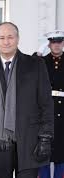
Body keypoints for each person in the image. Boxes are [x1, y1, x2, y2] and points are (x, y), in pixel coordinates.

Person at [0, 22, 54, 178]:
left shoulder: (35, 65)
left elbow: (46, 103)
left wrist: (45, 137)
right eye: (2, 37)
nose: (6, 42)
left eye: (10, 37)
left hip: (29, 141)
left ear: (18, 39)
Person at [38, 30, 64, 178]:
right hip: (45, 110)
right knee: (44, 150)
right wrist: (38, 53)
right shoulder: (42, 61)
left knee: (61, 152)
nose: (56, 45)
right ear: (49, 44)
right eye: (53, 42)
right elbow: (29, 68)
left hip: (63, 110)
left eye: (59, 42)